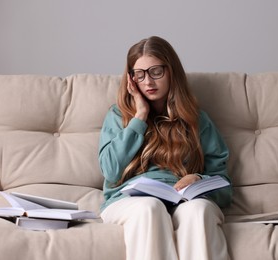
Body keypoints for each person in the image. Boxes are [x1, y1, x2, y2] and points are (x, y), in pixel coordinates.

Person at [99, 36, 232, 260]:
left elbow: (225, 189)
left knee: (199, 210)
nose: (148, 81)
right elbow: (110, 170)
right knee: (149, 207)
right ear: (131, 79)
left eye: (156, 71)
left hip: (183, 200)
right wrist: (139, 117)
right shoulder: (118, 116)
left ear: (171, 71)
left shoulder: (197, 120)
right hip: (129, 202)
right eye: (139, 74)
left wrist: (198, 179)